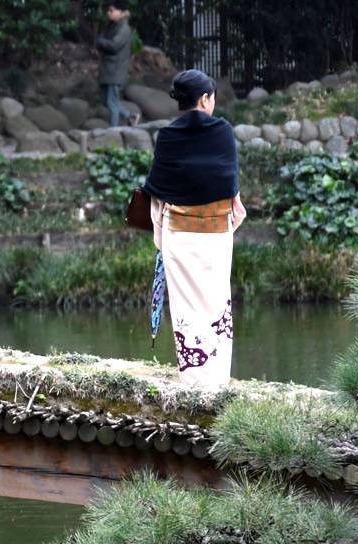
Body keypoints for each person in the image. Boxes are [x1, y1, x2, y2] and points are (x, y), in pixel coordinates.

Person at [142, 69, 246, 387]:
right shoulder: (223, 132)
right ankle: (217, 380)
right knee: (216, 302)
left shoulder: (168, 136)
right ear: (204, 99)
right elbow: (232, 194)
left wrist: (161, 236)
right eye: (212, 98)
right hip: (216, 234)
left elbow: (156, 191)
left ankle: (193, 380)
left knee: (187, 305)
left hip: (179, 235)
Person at [96, 1, 135, 127]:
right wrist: (101, 42)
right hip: (107, 69)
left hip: (116, 69)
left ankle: (113, 131)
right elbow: (103, 41)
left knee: (112, 102)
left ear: (121, 12)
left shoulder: (124, 28)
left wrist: (101, 42)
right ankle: (130, 116)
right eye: (108, 10)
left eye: (112, 10)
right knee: (106, 101)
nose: (109, 13)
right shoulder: (111, 25)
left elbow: (114, 45)